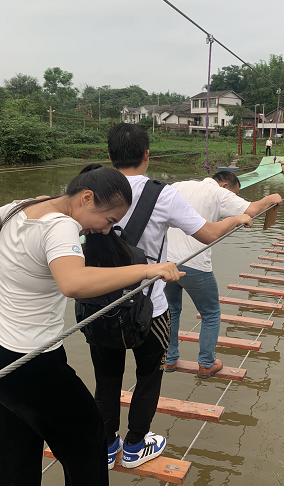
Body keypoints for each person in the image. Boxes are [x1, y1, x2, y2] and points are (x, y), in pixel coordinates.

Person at [0, 166, 182, 486]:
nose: (105, 230)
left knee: (17, 448)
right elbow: (73, 282)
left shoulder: (16, 208)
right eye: (110, 220)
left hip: (4, 354)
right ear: (86, 198)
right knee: (89, 442)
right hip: (35, 362)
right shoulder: (61, 226)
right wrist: (147, 270)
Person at [90, 123, 253, 470]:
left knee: (106, 381)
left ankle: (105, 447)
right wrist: (238, 218)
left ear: (109, 156)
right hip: (150, 307)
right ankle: (135, 447)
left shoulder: (90, 190)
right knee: (149, 375)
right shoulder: (162, 194)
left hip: (99, 303)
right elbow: (208, 233)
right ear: (147, 155)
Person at [164, 171, 282, 377]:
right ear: (226, 186)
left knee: (172, 310)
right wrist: (272, 198)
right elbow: (253, 209)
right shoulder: (217, 192)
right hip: (195, 263)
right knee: (210, 313)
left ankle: (169, 359)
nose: (233, 200)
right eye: (234, 195)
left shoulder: (178, 185)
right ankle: (206, 363)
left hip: (165, 263)